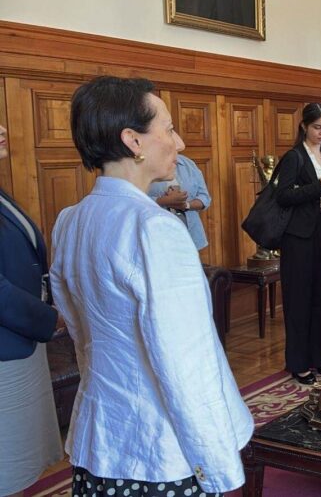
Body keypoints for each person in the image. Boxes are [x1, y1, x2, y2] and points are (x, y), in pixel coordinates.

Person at [50, 76, 252, 496]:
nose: (177, 143)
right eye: (169, 129)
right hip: (157, 451)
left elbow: (79, 334)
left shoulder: (70, 220)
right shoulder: (153, 228)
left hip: (98, 438)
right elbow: (186, 362)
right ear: (133, 141)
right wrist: (219, 467)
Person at [0, 123, 64, 497]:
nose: (4, 128)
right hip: (7, 346)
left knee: (20, 463)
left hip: (21, 339)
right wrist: (49, 319)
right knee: (8, 464)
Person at [275, 103, 321, 385]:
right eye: (317, 127)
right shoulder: (294, 157)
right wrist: (320, 186)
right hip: (297, 235)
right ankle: (298, 362)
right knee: (298, 298)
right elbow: (283, 196)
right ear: (304, 126)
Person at [147, 153, 212, 250]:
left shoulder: (188, 164)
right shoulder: (144, 164)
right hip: (156, 236)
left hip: (191, 235)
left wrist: (186, 205)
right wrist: (162, 201)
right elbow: (133, 199)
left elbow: (205, 198)